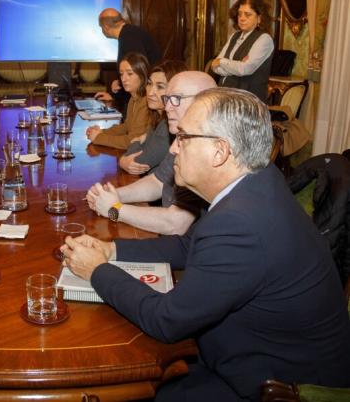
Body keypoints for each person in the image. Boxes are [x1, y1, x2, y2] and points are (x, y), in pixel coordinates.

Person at [64, 88, 350, 401]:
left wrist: (97, 271)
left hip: (276, 385)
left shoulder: (241, 223)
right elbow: (189, 246)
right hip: (256, 350)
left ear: (220, 152)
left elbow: (166, 320)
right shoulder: (257, 181)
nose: (173, 148)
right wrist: (112, 249)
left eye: (184, 137)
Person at [86, 71, 216, 236]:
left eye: (176, 99)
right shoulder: (183, 137)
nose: (167, 107)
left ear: (206, 103)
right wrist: (113, 195)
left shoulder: (207, 147)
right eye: (167, 99)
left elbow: (176, 223)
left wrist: (114, 208)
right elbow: (157, 182)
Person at [120, 60, 187, 175]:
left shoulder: (167, 125)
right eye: (149, 84)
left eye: (160, 87)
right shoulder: (157, 116)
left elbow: (138, 162)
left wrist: (135, 143)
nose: (150, 92)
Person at [210, 0, 274, 102]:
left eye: (248, 15)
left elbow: (245, 69)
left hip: (248, 101)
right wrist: (236, 66)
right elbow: (214, 67)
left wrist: (222, 62)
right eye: (239, 14)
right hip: (225, 96)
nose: (242, 18)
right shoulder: (235, 36)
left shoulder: (264, 39)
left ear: (259, 18)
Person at [85, 52, 152, 151]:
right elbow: (126, 127)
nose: (124, 79)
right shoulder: (133, 99)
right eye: (121, 74)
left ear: (142, 75)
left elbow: (132, 141)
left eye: (129, 74)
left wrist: (99, 138)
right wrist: (101, 132)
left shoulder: (146, 102)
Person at [96, 8, 162, 105]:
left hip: (144, 100)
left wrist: (116, 96)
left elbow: (138, 73)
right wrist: (117, 89)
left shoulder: (128, 38)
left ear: (105, 27)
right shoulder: (129, 33)